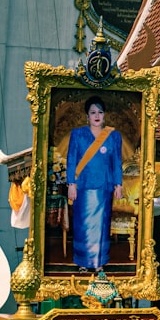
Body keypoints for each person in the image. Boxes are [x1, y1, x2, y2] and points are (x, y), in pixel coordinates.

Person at [65, 95, 123, 271]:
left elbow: (117, 162)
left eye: (100, 112)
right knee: (83, 225)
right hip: (82, 187)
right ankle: (83, 262)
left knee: (101, 225)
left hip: (104, 188)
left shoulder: (113, 136)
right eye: (93, 112)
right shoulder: (78, 134)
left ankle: (98, 262)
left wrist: (118, 184)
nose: (96, 115)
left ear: (104, 115)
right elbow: (71, 160)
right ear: (87, 116)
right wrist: (71, 184)